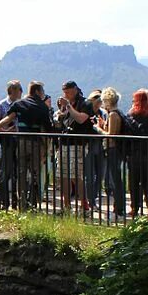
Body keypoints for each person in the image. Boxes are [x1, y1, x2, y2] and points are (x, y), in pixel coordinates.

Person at [0, 80, 53, 209]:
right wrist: (46, 149)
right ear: (38, 91)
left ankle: (22, 203)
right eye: (42, 91)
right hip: (36, 144)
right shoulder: (42, 107)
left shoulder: (19, 103)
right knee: (34, 173)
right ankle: (33, 203)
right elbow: (46, 130)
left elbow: (8, 118)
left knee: (21, 173)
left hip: (21, 142)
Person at [56, 80, 95, 213]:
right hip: (64, 143)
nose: (65, 94)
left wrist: (68, 107)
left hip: (78, 143)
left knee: (76, 176)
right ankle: (66, 206)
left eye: (67, 92)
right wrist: (60, 113)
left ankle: (84, 206)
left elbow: (81, 119)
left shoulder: (86, 104)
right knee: (63, 175)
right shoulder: (68, 105)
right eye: (64, 92)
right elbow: (61, 121)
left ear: (75, 90)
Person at [124, 88, 148, 216]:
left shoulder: (131, 115)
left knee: (134, 181)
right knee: (146, 181)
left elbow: (127, 131)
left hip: (134, 152)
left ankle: (135, 207)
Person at [93, 87, 128, 219]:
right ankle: (119, 208)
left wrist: (98, 129)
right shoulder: (116, 113)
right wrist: (103, 124)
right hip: (114, 150)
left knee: (115, 180)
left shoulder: (113, 114)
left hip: (113, 149)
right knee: (115, 179)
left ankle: (119, 210)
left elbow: (111, 135)